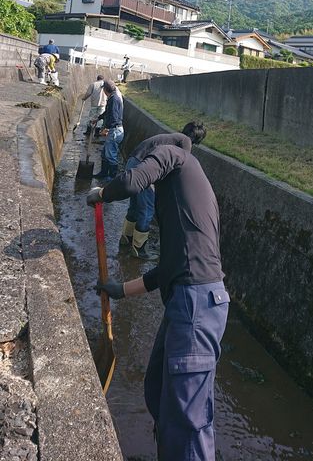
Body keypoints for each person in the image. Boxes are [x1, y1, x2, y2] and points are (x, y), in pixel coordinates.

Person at [87, 132, 229, 461]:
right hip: (191, 302)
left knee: (188, 419)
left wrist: (101, 194)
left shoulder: (172, 155)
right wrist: (118, 291)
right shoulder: (186, 194)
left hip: (196, 306)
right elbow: (165, 272)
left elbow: (133, 181)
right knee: (157, 388)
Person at [119, 121, 207, 260]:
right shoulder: (185, 142)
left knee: (135, 205)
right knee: (147, 209)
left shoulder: (174, 137)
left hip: (133, 161)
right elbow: (180, 168)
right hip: (142, 166)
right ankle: (138, 248)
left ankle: (126, 238)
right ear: (197, 139)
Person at [93, 80, 124, 180]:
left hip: (114, 130)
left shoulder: (114, 99)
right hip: (114, 130)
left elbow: (114, 118)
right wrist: (98, 118)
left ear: (105, 90)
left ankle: (111, 178)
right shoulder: (113, 97)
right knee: (105, 153)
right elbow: (107, 112)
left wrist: (106, 129)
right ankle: (103, 173)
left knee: (111, 155)